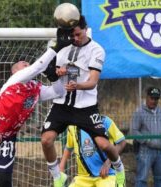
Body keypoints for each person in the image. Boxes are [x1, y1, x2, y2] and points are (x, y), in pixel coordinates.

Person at [40, 15, 124, 187]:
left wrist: (77, 85)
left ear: (86, 29)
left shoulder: (96, 50)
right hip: (62, 104)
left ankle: (119, 168)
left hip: (85, 107)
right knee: (46, 140)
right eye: (72, 35)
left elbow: (92, 82)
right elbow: (53, 71)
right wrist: (58, 71)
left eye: (78, 34)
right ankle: (58, 177)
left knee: (103, 144)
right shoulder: (62, 47)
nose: (75, 38)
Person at [0, 28, 73, 138]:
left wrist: (53, 77)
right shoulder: (15, 80)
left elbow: (59, 92)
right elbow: (37, 67)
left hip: (7, 136)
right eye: (22, 63)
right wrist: (57, 47)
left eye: (27, 63)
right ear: (14, 71)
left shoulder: (34, 88)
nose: (26, 63)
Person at [59, 115, 127, 187]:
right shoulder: (72, 126)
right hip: (83, 177)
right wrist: (61, 166)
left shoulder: (105, 121)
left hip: (107, 175)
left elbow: (122, 142)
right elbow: (69, 147)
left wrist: (108, 162)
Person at [129, 87, 161, 187]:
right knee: (142, 179)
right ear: (146, 97)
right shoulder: (139, 112)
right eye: (152, 98)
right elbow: (133, 131)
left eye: (156, 99)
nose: (154, 101)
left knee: (160, 179)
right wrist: (147, 140)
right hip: (145, 150)